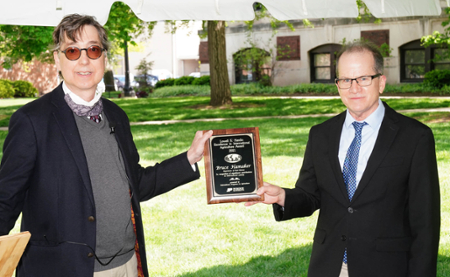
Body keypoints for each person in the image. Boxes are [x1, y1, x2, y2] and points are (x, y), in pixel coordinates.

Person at [0, 14, 212, 277]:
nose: (84, 60)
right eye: (72, 51)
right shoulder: (31, 121)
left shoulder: (117, 115)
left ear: (104, 57)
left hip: (127, 265)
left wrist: (190, 157)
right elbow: (5, 199)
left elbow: (137, 183)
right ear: (57, 58)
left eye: (93, 49)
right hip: (63, 269)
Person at [246, 41, 440, 277]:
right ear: (338, 85)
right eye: (346, 80)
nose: (354, 88)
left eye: (363, 78)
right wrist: (283, 196)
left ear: (381, 82)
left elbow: (425, 224)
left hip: (386, 268)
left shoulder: (415, 137)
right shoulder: (321, 134)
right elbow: (310, 195)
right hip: (329, 265)